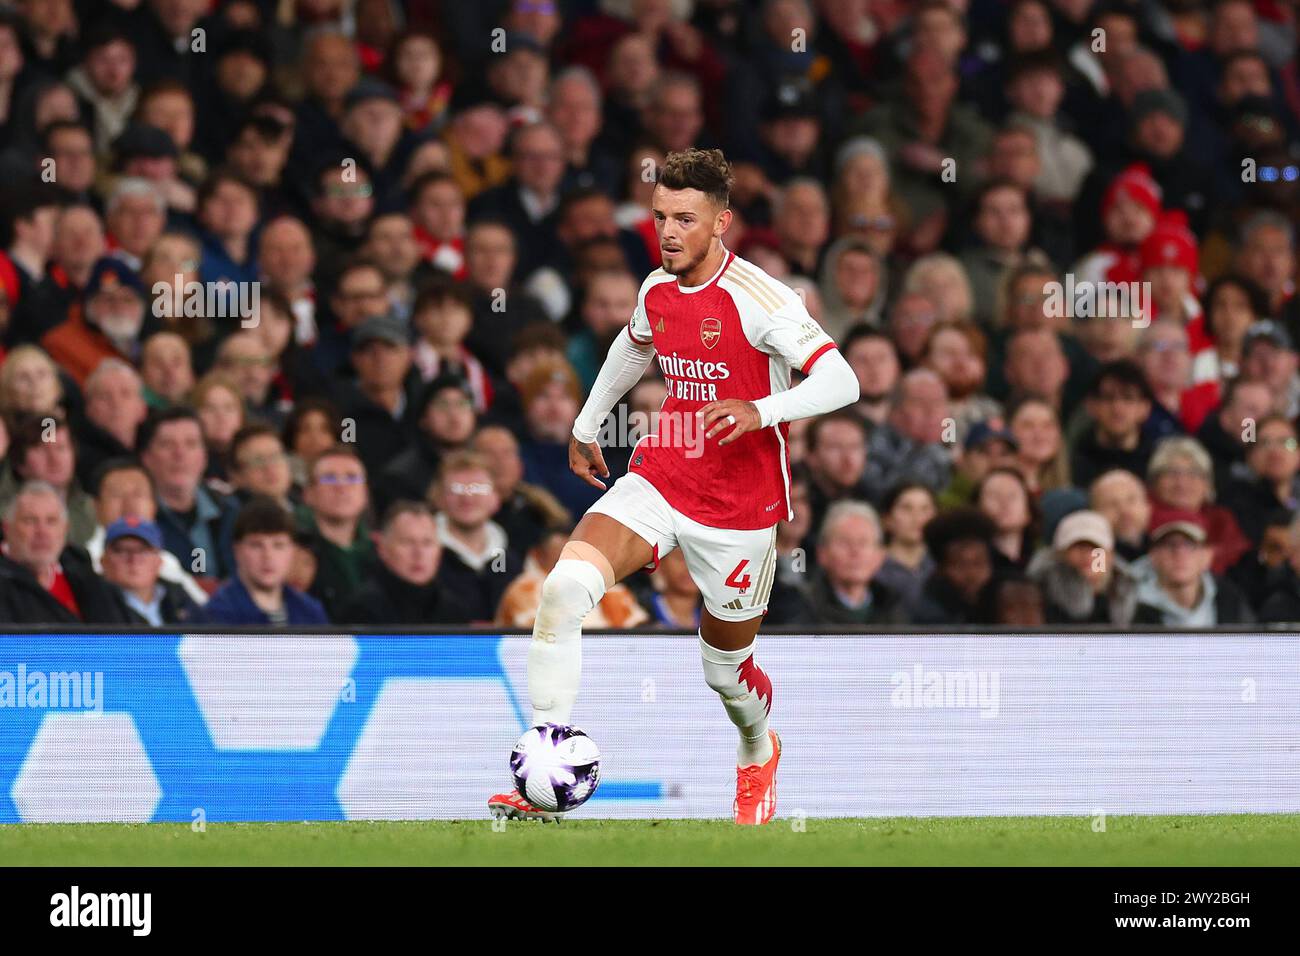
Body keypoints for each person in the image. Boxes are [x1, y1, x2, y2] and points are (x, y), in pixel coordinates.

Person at [487, 149, 858, 825]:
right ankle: (542, 764)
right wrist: (587, 422)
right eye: (660, 216)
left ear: (722, 222)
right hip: (663, 473)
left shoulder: (764, 301)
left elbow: (843, 381)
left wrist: (760, 411)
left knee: (725, 671)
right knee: (564, 591)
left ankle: (757, 750)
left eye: (685, 219)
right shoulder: (657, 286)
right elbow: (635, 344)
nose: (669, 232)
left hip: (741, 509)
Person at [0, 480, 134, 623]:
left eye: (51, 521)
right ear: (7, 529)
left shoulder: (86, 577)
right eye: (30, 521)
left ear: (65, 529)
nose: (42, 531)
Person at [199, 496, 329, 626]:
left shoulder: (310, 611)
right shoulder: (217, 614)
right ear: (237, 551)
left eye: (278, 545)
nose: (268, 556)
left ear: (292, 551)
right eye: (256, 545)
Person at [337, 501, 473, 626]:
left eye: (427, 543)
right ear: (382, 548)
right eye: (407, 542)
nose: (419, 553)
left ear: (439, 550)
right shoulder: (362, 609)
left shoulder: (454, 611)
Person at [1133, 509, 1254, 626]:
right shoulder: (1129, 604)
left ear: (1207, 556)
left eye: (1190, 544)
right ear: (1153, 555)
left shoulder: (1231, 598)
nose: (1180, 554)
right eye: (1169, 545)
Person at [804, 501, 906, 625]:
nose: (855, 552)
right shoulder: (803, 607)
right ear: (822, 553)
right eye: (844, 542)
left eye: (863, 543)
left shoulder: (894, 608)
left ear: (880, 555)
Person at [100, 516, 201, 625]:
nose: (133, 559)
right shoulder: (91, 600)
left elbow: (208, 636)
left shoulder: (178, 597)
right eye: (121, 550)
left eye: (143, 551)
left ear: (159, 561)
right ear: (104, 561)